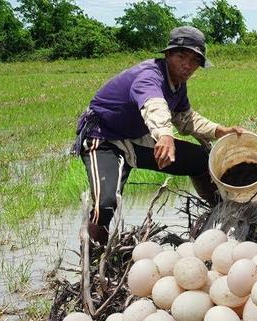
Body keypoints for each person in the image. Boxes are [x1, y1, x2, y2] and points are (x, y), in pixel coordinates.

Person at [72, 26, 244, 245]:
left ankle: (223, 214)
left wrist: (219, 130)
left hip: (134, 139)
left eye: (194, 61)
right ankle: (94, 256)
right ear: (168, 54)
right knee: (105, 204)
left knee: (200, 159)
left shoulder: (178, 85)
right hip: (103, 138)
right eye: (181, 56)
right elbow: (154, 104)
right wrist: (164, 135)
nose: (187, 65)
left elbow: (185, 118)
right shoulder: (149, 76)